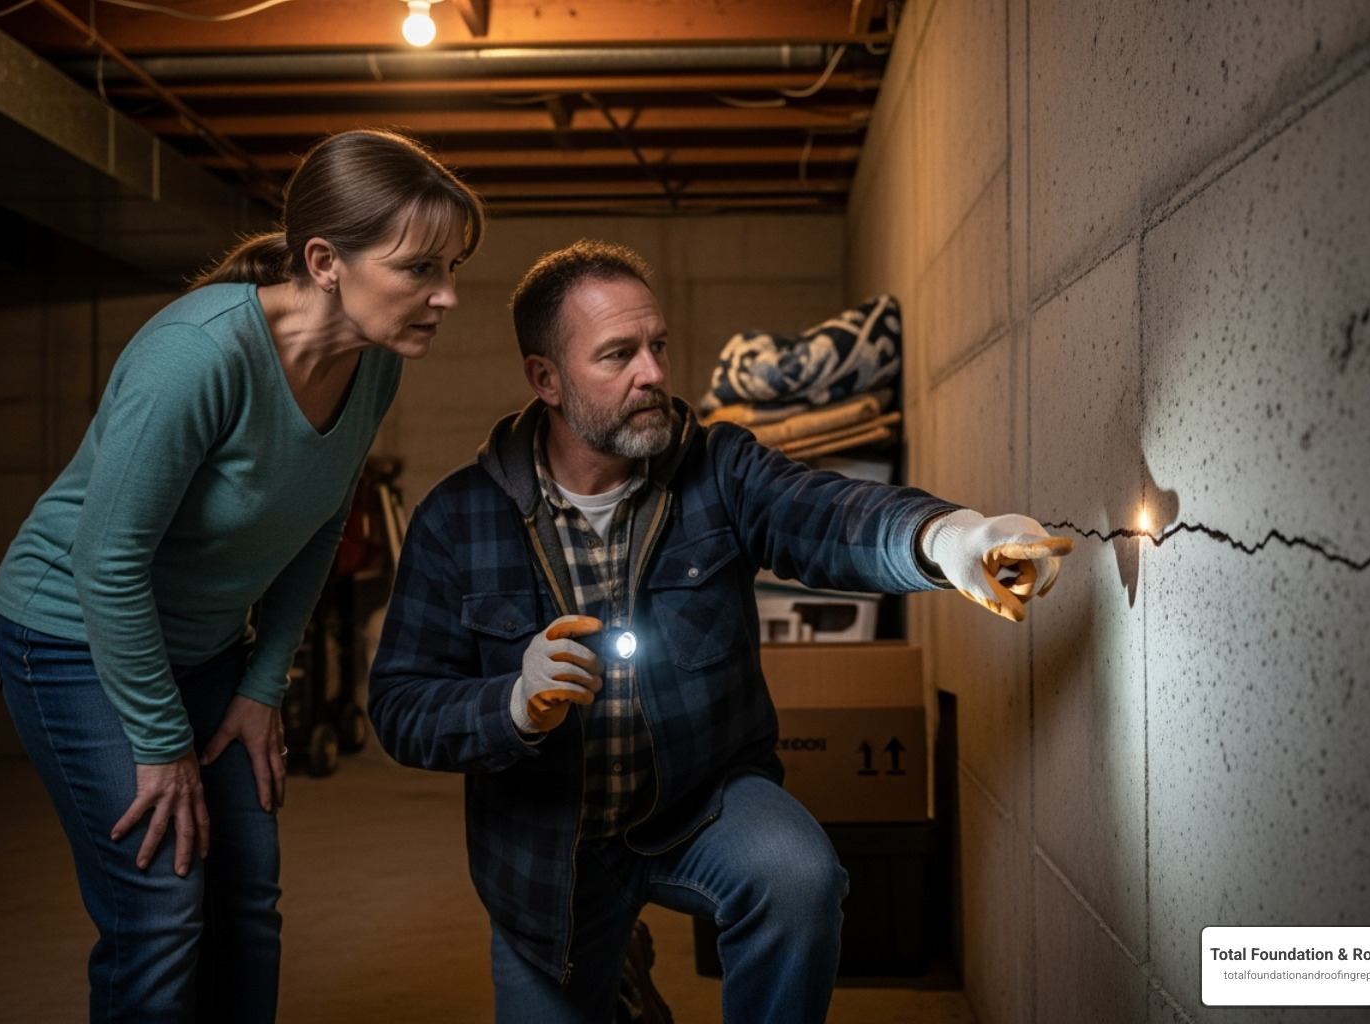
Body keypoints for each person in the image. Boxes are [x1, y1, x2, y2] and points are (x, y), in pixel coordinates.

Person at [368, 239, 1072, 1024]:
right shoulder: (456, 521)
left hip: (702, 802)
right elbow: (400, 706)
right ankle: (620, 968)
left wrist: (943, 539)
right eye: (618, 355)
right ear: (547, 379)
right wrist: (511, 705)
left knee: (797, 878)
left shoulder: (717, 467)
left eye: (657, 345)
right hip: (546, 856)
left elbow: (822, 513)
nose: (654, 374)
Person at [0, 129, 483, 1024]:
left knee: (247, 899)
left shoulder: (373, 365)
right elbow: (106, 562)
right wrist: (160, 741)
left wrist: (264, 684)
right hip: (71, 637)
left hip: (209, 645)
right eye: (421, 269)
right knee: (162, 906)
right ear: (327, 260)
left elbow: (322, 520)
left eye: (453, 267)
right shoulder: (198, 357)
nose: (446, 296)